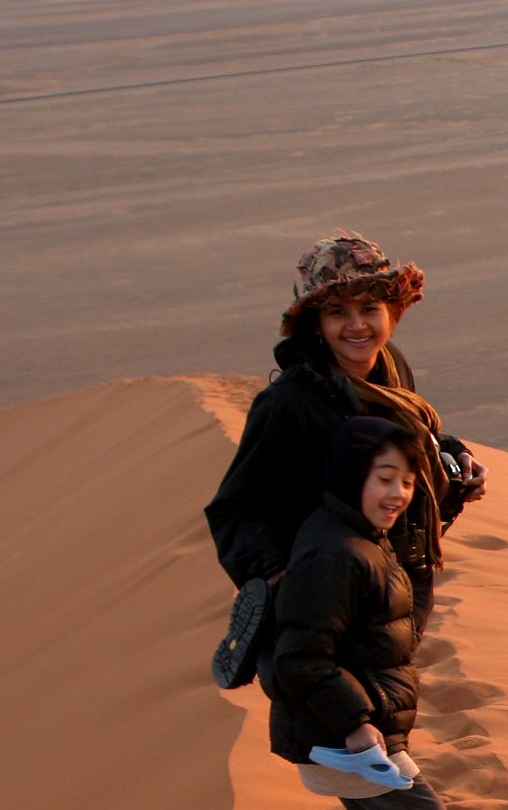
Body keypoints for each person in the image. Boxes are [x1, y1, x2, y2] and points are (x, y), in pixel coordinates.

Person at [272, 418, 487, 810]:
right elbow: (301, 657)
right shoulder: (336, 553)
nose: (398, 494)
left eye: (409, 481)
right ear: (351, 476)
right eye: (384, 478)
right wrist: (357, 721)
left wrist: (451, 503)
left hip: (341, 728)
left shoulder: (357, 535)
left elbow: (396, 601)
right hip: (343, 733)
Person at [205, 232, 485, 631]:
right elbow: (235, 511)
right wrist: (280, 583)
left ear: (392, 313)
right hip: (326, 605)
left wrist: (455, 456)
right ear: (317, 325)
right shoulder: (290, 403)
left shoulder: (391, 369)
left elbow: (406, 440)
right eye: (338, 312)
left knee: (393, 691)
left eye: (369, 308)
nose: (357, 326)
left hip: (398, 588)